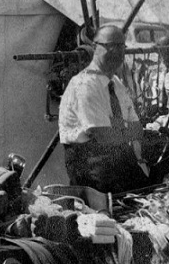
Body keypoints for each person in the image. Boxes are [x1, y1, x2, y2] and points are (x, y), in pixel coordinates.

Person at [58, 23, 150, 194]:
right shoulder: (84, 84)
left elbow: (138, 130)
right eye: (110, 46)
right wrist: (122, 128)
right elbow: (104, 136)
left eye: (121, 46)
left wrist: (115, 128)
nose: (117, 52)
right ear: (95, 47)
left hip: (117, 159)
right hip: (91, 165)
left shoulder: (116, 83)